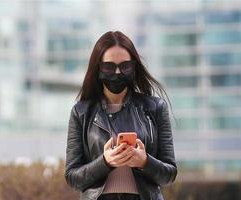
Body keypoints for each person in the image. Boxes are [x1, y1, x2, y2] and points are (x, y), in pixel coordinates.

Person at [64, 31, 177, 200]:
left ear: (134, 67)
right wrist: (105, 162)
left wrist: (145, 161)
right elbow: (73, 178)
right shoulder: (81, 112)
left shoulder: (155, 108)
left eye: (125, 66)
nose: (117, 72)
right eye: (109, 67)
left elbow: (169, 174)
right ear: (98, 68)